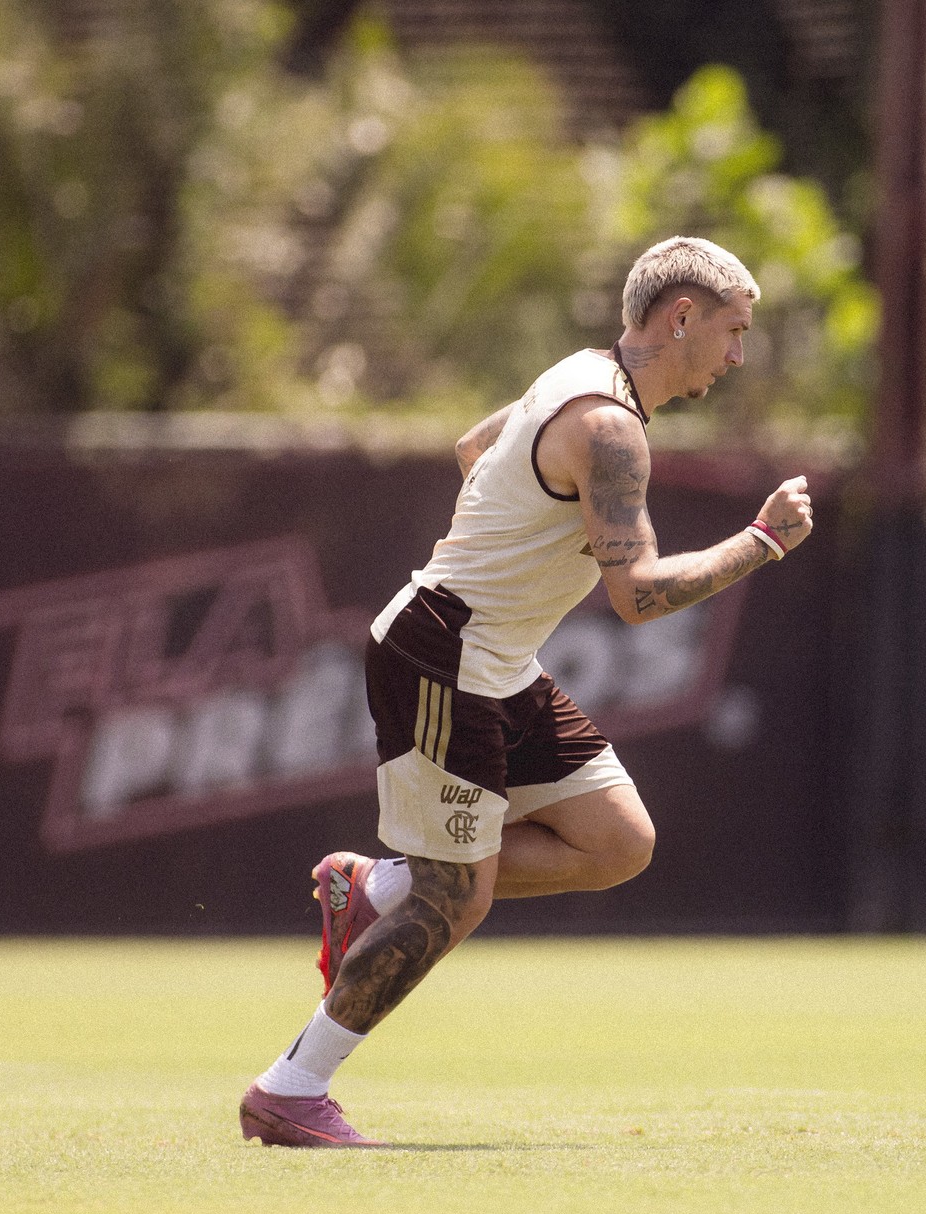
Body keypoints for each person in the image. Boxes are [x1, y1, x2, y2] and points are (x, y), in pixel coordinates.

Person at [239, 235, 813, 1147]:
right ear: (680, 319)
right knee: (455, 899)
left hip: (495, 660)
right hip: (443, 657)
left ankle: (376, 886)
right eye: (734, 331)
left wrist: (523, 532)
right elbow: (639, 595)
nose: (739, 355)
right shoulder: (612, 431)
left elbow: (476, 447)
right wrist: (764, 541)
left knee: (619, 840)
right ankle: (290, 1089)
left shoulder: (584, 374)